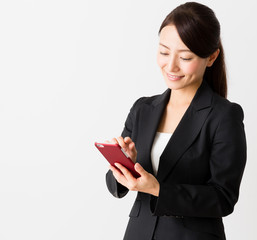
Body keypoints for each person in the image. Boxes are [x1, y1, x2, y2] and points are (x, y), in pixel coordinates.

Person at [105, 2, 247, 240]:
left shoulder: (224, 115)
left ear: (211, 57)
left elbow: (223, 198)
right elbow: (115, 185)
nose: (171, 66)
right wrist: (125, 164)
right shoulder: (143, 109)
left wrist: (158, 189)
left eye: (185, 57)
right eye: (163, 52)